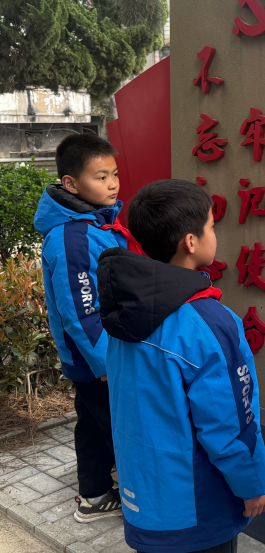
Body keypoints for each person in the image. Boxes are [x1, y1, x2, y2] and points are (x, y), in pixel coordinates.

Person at [97, 179, 265, 553]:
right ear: (190, 242)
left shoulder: (125, 311)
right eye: (211, 226)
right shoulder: (208, 322)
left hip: (145, 497)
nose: (214, 234)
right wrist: (253, 484)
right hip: (197, 508)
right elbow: (229, 421)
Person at [33, 134, 141, 522]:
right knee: (121, 428)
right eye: (101, 177)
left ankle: (94, 494)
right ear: (71, 184)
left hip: (100, 356)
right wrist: (106, 365)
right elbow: (80, 312)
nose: (112, 184)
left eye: (114, 174)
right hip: (98, 359)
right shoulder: (72, 236)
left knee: (94, 424)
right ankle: (140, 501)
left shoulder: (95, 223)